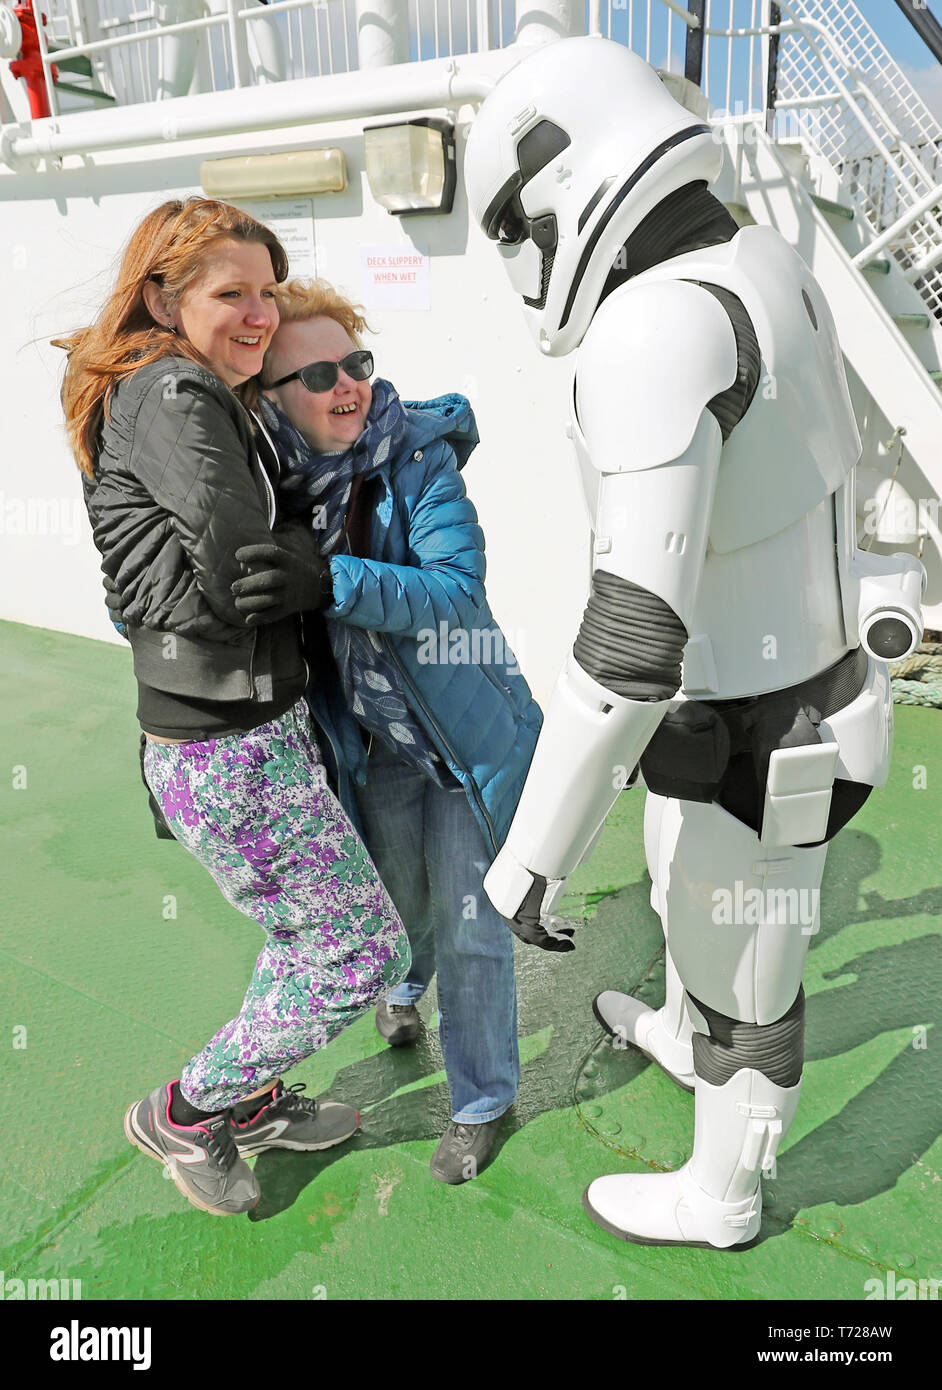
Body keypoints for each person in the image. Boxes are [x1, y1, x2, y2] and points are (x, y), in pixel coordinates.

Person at [464, 37, 924, 1246]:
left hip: (762, 732)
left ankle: (723, 1195)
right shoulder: (762, 257)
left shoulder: (653, 332)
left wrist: (534, 860)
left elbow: (627, 645)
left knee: (748, 990)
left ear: (552, 192)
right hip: (789, 698)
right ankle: (683, 1030)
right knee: (690, 898)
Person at [58, 198, 410, 1217]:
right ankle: (186, 1107)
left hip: (235, 732)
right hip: (230, 746)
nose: (258, 314)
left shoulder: (185, 386)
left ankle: (247, 1101)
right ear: (166, 297)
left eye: (267, 290)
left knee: (304, 935)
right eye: (231, 294)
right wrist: (310, 562)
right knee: (356, 952)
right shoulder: (173, 389)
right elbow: (239, 570)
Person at [230, 278, 543, 1182]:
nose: (347, 385)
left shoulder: (419, 461)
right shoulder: (269, 494)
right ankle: (406, 987)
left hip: (462, 745)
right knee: (404, 908)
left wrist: (327, 578)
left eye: (356, 363)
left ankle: (481, 1101)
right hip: (371, 752)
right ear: (271, 402)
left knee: (474, 925)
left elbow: (455, 591)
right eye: (317, 373)